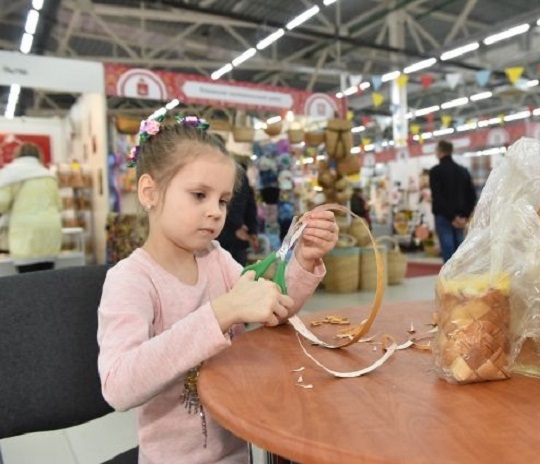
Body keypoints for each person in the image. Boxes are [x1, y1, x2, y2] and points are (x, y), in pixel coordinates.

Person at [97, 115, 338, 463]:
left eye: (222, 201)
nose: (215, 212)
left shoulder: (216, 258)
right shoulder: (130, 280)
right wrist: (221, 313)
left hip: (238, 452)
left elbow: (274, 307)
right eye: (199, 195)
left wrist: (303, 260)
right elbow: (118, 386)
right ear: (150, 192)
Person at [0, 142, 62, 273]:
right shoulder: (48, 175)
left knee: (26, 280)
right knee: (47, 277)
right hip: (50, 232)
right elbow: (59, 206)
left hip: (24, 234)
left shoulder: (9, 174)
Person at [429, 139, 477, 262]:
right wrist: (464, 216)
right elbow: (472, 196)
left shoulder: (435, 172)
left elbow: (438, 197)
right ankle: (460, 279)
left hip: (444, 216)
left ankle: (448, 280)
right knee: (459, 251)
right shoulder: (463, 171)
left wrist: (451, 217)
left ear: (440, 151)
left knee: (448, 250)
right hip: (461, 218)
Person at [218, 159, 259, 266]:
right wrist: (251, 230)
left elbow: (249, 203)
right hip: (234, 232)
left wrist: (250, 229)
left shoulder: (230, 172)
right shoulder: (237, 173)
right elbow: (250, 204)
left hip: (230, 232)